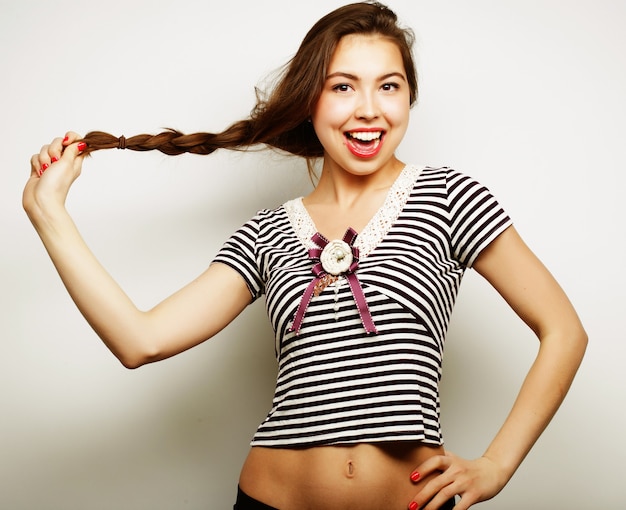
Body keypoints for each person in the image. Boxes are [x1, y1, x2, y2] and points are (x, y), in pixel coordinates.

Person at [23, 2, 587, 509]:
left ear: (408, 97)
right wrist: (50, 214)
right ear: (309, 99)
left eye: (388, 86)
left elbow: (564, 330)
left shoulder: (449, 197)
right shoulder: (266, 232)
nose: (369, 109)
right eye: (343, 87)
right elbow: (139, 341)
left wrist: (496, 465)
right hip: (270, 501)